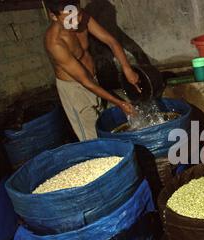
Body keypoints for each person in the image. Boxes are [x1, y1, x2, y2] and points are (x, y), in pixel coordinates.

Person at [44, 0, 141, 141]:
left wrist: (127, 68)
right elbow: (85, 82)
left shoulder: (83, 18)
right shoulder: (55, 43)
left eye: (78, 15)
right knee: (93, 138)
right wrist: (120, 103)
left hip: (94, 80)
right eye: (69, 19)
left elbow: (111, 41)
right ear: (53, 16)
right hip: (76, 91)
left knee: (106, 125)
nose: (76, 22)